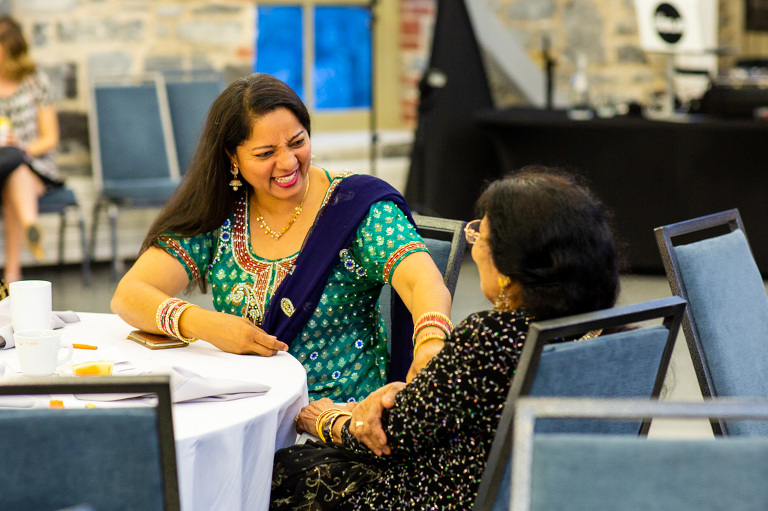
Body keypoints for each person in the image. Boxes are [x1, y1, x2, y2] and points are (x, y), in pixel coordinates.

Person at [273, 167, 621, 510]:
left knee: (287, 469)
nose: (476, 246)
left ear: (507, 267)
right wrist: (409, 394)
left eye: (479, 236)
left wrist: (327, 419)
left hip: (450, 495)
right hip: (552, 490)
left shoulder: (491, 340)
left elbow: (391, 437)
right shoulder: (606, 335)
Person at [111, 73, 452, 402]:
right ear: (233, 158)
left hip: (337, 422)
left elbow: (420, 281)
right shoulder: (221, 213)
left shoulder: (356, 207)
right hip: (243, 405)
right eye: (265, 154)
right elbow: (129, 295)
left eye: (297, 142)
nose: (288, 163)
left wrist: (431, 342)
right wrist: (206, 325)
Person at [0, 16, 64, 282]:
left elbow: (50, 137)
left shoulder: (35, 83)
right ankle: (29, 227)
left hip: (34, 160)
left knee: (17, 171)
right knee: (12, 170)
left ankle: (12, 273)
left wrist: (23, 148)